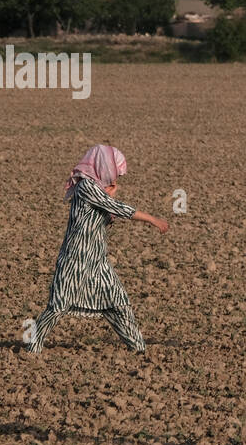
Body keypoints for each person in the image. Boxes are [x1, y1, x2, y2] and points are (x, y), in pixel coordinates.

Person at [27, 144, 168, 354]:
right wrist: (152, 219)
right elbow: (119, 209)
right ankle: (33, 345)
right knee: (58, 306)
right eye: (114, 171)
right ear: (104, 167)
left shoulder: (96, 190)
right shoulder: (86, 187)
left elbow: (104, 217)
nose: (115, 177)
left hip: (96, 260)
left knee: (118, 303)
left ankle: (138, 348)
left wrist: (109, 197)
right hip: (75, 258)